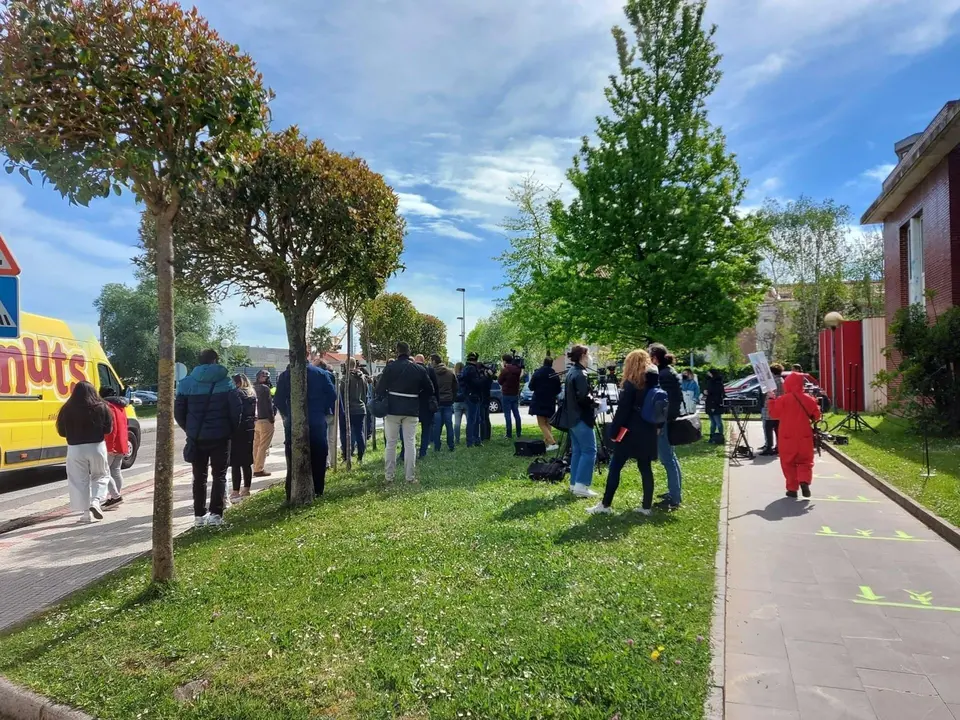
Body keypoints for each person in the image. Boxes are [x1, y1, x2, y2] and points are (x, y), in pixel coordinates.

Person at [175, 349, 241, 527]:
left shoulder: (185, 383)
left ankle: (198, 515)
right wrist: (230, 430)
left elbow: (179, 412)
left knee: (199, 476)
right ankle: (216, 515)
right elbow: (236, 410)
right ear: (215, 361)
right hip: (221, 436)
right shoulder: (226, 382)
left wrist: (190, 429)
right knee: (219, 475)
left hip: (197, 437)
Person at [588, 350, 659, 515]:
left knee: (615, 467)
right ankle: (646, 506)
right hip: (648, 429)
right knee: (645, 468)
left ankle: (605, 505)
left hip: (629, 432)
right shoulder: (653, 381)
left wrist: (613, 432)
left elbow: (622, 411)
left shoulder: (631, 383)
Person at [274, 359, 337, 500]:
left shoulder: (286, 375)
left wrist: (287, 414)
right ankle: (318, 489)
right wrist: (322, 409)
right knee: (319, 455)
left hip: (294, 420)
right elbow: (332, 395)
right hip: (316, 419)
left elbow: (278, 400)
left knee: (293, 455)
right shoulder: (321, 373)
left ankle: (292, 489)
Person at [375, 342, 433, 483]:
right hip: (411, 409)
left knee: (391, 443)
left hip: (393, 409)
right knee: (410, 443)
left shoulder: (390, 368)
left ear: (397, 352)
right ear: (409, 351)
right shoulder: (418, 369)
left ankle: (389, 476)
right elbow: (430, 389)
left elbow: (379, 389)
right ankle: (410, 477)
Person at [57, 381, 113, 523]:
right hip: (96, 447)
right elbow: (108, 430)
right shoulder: (102, 407)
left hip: (75, 449)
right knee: (100, 475)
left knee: (78, 480)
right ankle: (96, 501)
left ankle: (85, 514)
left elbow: (61, 432)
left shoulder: (66, 408)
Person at [766, 372, 822, 498]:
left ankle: (792, 489)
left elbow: (774, 414)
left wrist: (771, 400)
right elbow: (817, 416)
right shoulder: (809, 399)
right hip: (804, 436)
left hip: (787, 436)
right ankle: (804, 481)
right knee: (805, 461)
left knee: (788, 462)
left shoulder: (783, 399)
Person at [559, 345, 597, 498]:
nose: (590, 357)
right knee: (589, 451)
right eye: (589, 354)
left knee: (578, 451)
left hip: (572, 418)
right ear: (583, 355)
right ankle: (581, 485)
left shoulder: (571, 372)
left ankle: (575, 484)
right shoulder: (581, 373)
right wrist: (595, 401)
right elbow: (583, 398)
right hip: (581, 417)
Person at [649, 343, 683, 510]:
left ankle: (674, 497)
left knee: (668, 460)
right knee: (671, 458)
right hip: (670, 419)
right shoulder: (669, 372)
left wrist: (658, 424)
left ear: (655, 358)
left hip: (665, 422)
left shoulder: (663, 375)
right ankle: (674, 491)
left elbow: (663, 403)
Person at [99, 387, 129, 508]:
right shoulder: (121, 407)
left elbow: (112, 429)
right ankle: (114, 497)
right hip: (121, 443)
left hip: (112, 444)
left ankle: (115, 497)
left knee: (104, 471)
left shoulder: (108, 407)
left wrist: (110, 446)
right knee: (115, 471)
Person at [229, 374, 257, 501]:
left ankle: (235, 490)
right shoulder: (252, 393)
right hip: (250, 428)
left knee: (235, 462)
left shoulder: (236, 393)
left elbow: (235, 412)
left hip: (238, 429)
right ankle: (246, 488)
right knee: (246, 461)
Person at [338, 359, 368, 464]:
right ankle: (360, 456)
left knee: (346, 433)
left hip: (348, 409)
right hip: (360, 408)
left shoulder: (345, 379)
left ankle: (347, 456)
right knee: (360, 432)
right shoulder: (363, 377)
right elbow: (366, 393)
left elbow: (341, 394)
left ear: (346, 365)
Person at [528, 357, 561, 451]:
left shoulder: (538, 373)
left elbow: (531, 386)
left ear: (543, 362)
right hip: (550, 400)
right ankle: (547, 443)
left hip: (539, 400)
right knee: (548, 422)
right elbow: (558, 389)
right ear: (551, 364)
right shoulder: (554, 374)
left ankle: (552, 442)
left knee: (541, 423)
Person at [431, 354, 458, 452]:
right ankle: (451, 445)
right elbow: (455, 387)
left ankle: (437, 446)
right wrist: (452, 398)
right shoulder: (450, 373)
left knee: (437, 426)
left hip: (437, 402)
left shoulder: (432, 373)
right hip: (448, 401)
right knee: (449, 425)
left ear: (434, 361)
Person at [252, 370, 276, 477]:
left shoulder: (252, 388)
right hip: (265, 419)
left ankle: (256, 466)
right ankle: (259, 468)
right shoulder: (266, 389)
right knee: (263, 446)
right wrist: (272, 419)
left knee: (256, 445)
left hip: (255, 420)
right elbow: (269, 405)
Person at [760, 363, 786, 456]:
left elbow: (770, 395)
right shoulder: (782, 380)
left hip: (770, 409)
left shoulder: (773, 382)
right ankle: (778, 447)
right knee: (778, 430)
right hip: (780, 409)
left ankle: (769, 447)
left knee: (768, 429)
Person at [460, 353, 484, 447]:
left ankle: (475, 440)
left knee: (475, 419)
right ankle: (471, 441)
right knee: (473, 419)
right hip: (474, 396)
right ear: (476, 360)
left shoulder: (466, 368)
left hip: (469, 395)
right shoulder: (472, 369)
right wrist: (484, 377)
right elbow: (477, 383)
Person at [498, 353, 523, 438]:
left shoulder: (505, 370)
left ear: (504, 361)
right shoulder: (518, 369)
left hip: (506, 394)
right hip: (515, 393)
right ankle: (519, 433)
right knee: (516, 414)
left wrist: (502, 368)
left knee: (507, 414)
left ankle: (509, 434)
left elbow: (500, 381)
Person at [703, 368, 725, 444]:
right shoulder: (711, 381)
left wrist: (713, 405)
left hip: (714, 404)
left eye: (709, 373)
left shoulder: (716, 382)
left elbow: (716, 394)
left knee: (717, 422)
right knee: (713, 422)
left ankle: (720, 436)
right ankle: (713, 437)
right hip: (710, 403)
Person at [452, 362, 467, 445]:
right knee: (470, 421)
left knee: (457, 423)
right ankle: (469, 437)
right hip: (465, 400)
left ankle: (457, 439)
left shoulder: (453, 377)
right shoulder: (466, 377)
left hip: (457, 401)